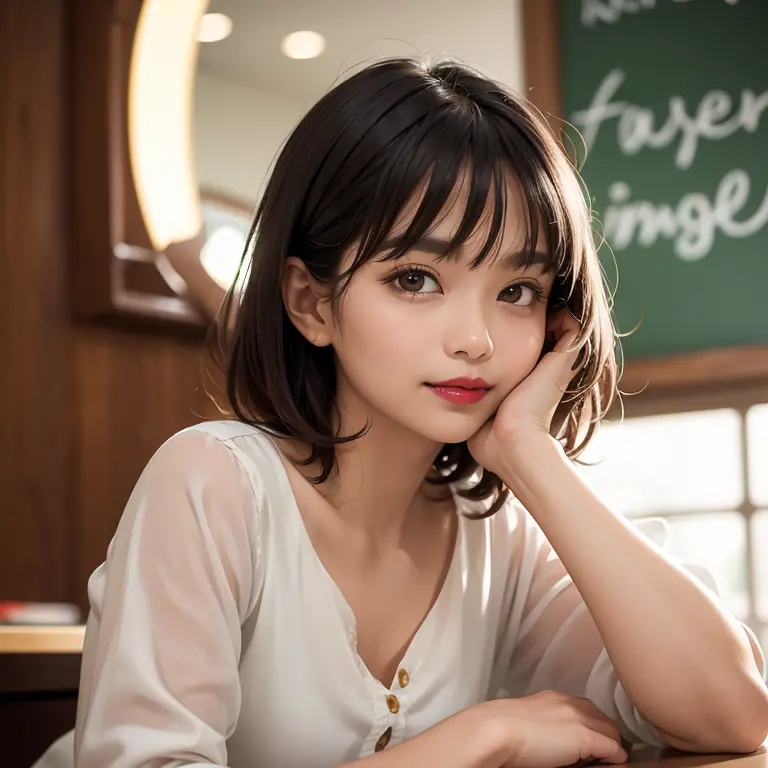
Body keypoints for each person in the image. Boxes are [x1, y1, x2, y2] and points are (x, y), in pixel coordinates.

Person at [34, 57, 768, 768]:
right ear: (310, 301)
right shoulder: (213, 484)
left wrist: (530, 455)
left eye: (518, 291)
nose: (475, 340)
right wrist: (477, 742)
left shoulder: (499, 535)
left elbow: (731, 714)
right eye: (416, 278)